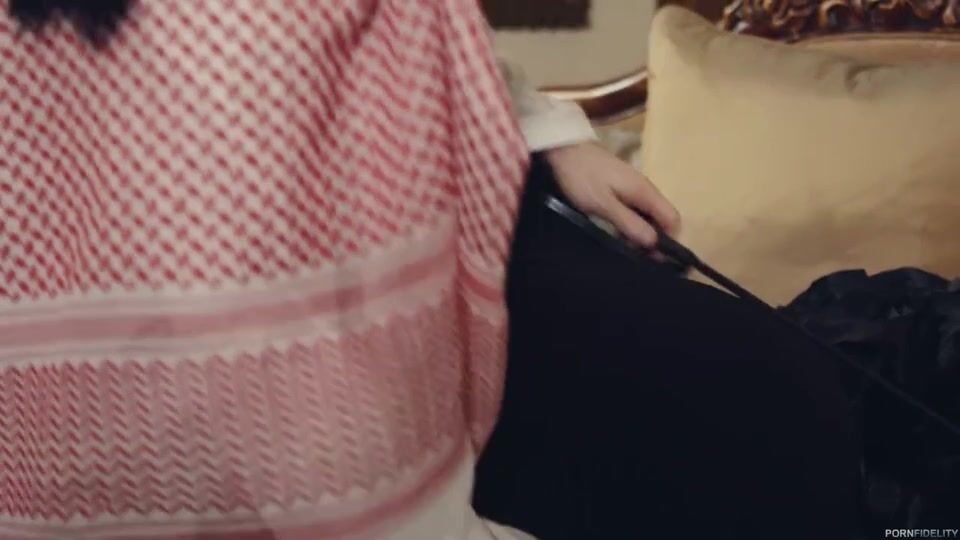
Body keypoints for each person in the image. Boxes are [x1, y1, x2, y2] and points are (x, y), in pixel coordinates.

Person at [0, 1, 858, 539]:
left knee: (778, 389)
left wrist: (550, 137)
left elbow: (430, 53)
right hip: (312, 339)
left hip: (459, 236)